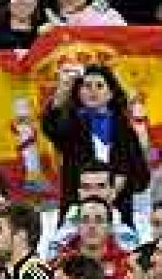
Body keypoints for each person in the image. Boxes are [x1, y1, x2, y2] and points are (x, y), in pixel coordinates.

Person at [42, 63, 152, 226]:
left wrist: (116, 188)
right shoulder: (72, 124)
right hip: (76, 213)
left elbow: (141, 177)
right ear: (79, 92)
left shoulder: (125, 130)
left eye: (99, 86)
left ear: (111, 93)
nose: (93, 90)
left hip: (117, 214)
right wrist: (63, 88)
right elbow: (51, 127)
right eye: (87, 86)